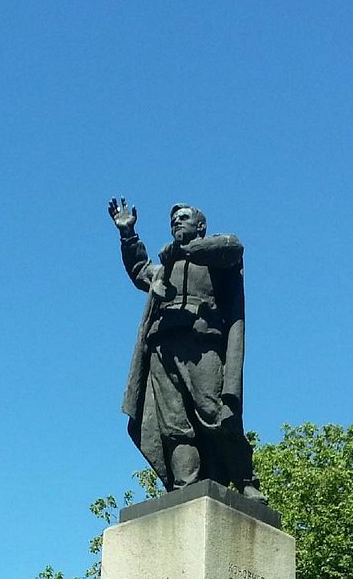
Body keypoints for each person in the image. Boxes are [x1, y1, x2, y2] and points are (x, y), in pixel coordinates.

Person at [108, 198, 266, 499]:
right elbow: (140, 269)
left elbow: (233, 247)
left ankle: (245, 479)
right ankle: (185, 485)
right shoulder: (165, 267)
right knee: (173, 423)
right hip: (163, 349)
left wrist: (182, 250)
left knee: (216, 413)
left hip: (201, 347)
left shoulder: (215, 256)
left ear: (200, 226)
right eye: (173, 221)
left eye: (183, 218)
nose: (176, 222)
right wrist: (128, 235)